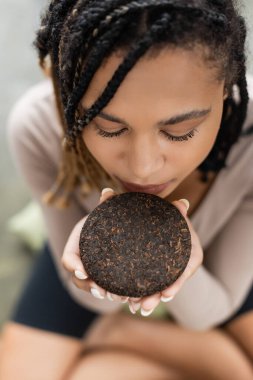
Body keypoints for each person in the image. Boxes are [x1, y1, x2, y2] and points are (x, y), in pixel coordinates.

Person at [0, 0, 253, 379]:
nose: (142, 167)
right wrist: (95, 264)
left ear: (225, 91)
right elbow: (95, 303)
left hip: (230, 247)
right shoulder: (37, 128)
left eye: (179, 131)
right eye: (108, 127)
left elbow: (211, 310)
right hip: (85, 238)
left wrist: (178, 264)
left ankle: (124, 333)